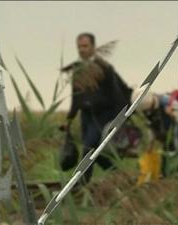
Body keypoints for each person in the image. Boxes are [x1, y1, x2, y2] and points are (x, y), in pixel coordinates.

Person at [61, 32, 131, 184]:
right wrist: (69, 119)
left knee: (88, 148)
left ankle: (81, 183)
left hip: (102, 115)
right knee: (95, 153)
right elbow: (75, 97)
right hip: (85, 116)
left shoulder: (104, 68)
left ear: (93, 47)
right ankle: (119, 175)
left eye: (85, 46)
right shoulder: (78, 69)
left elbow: (116, 95)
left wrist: (119, 121)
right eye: (79, 47)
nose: (82, 49)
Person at [131, 89, 178, 177]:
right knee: (166, 151)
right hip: (166, 133)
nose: (148, 112)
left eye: (149, 109)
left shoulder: (167, 101)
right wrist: (151, 144)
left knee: (177, 149)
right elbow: (151, 126)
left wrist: (172, 113)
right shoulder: (147, 110)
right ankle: (165, 174)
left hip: (177, 128)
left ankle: (177, 173)